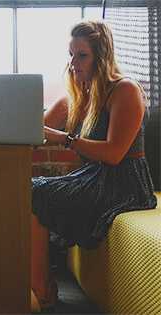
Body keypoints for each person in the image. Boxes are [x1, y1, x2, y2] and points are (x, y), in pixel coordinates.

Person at [30, 20, 157, 312]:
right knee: (29, 189)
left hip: (125, 183)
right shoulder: (76, 95)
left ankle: (41, 290)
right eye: (71, 55)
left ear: (101, 57)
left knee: (35, 194)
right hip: (92, 177)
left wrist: (65, 139)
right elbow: (35, 131)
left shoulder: (124, 90)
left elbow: (114, 154)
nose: (73, 63)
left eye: (81, 55)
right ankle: (41, 282)